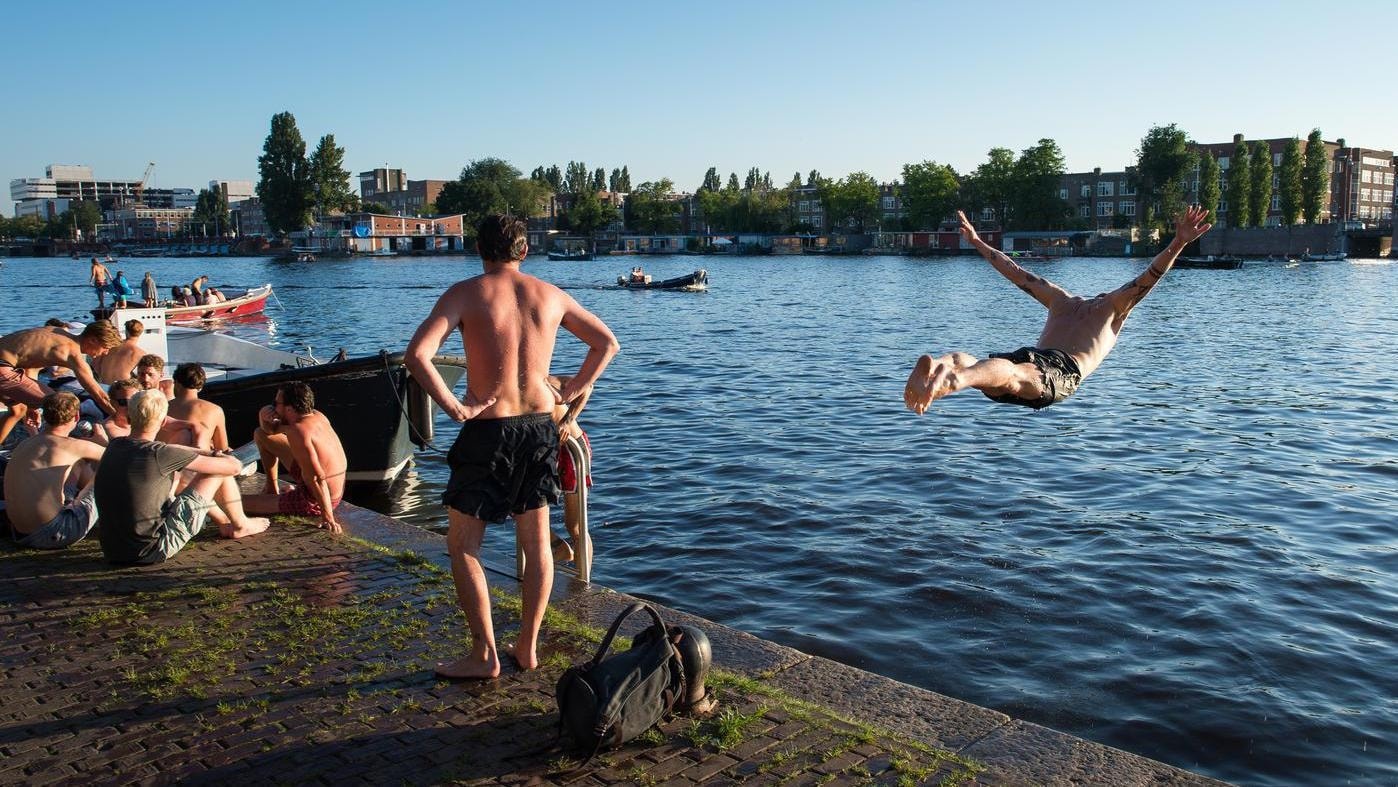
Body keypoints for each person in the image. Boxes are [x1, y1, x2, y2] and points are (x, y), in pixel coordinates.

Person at [405, 213, 619, 680]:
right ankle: (527, 645)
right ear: (524, 251)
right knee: (537, 542)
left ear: (479, 250)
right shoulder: (550, 294)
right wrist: (572, 389)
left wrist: (454, 408)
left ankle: (485, 656)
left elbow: (416, 356)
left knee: (463, 546)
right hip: (541, 426)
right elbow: (606, 343)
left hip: (490, 428)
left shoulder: (466, 293)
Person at [904, 206, 1213, 413]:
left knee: (977, 364)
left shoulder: (1062, 300)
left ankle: (942, 368)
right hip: (1056, 370)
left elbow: (1014, 271)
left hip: (1040, 359)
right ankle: (951, 378)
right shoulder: (1111, 307)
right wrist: (1178, 242)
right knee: (1009, 375)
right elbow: (1150, 276)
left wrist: (977, 242)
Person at [95, 389, 270, 565]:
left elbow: (165, 449)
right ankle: (241, 525)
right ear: (164, 421)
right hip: (152, 549)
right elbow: (234, 467)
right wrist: (217, 455)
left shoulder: (115, 446)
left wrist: (207, 452)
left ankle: (226, 523)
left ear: (130, 418)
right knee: (218, 469)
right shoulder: (160, 454)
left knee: (207, 465)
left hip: (113, 550)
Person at [4, 393, 106, 548]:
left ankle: (76, 505)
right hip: (56, 531)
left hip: (20, 533)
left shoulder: (26, 443)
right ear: (76, 416)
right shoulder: (73, 446)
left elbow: (49, 453)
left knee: (78, 465)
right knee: (106, 472)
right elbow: (118, 458)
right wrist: (103, 441)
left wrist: (33, 431)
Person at [243, 381, 347, 532]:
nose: (273, 407)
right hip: (318, 484)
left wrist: (327, 516)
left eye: (276, 403)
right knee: (260, 434)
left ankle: (281, 499)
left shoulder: (299, 432)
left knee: (232, 502)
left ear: (289, 409)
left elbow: (317, 478)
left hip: (316, 499)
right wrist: (262, 414)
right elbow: (267, 432)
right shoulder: (316, 416)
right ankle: (272, 488)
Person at [0, 321, 119, 445]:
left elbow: (30, 365)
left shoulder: (57, 332)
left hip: (6, 363)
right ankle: (54, 448)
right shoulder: (71, 352)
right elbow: (100, 395)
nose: (106, 353)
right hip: (2, 367)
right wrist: (122, 419)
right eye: (106, 347)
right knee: (60, 403)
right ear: (93, 340)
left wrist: (31, 404)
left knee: (18, 410)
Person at [546, 373, 592, 564]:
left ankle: (581, 582)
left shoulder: (549, 382)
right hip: (546, 449)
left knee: (575, 526)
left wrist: (566, 420)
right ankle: (559, 547)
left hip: (572, 449)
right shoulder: (507, 384)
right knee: (521, 509)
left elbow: (587, 386)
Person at [167, 363, 229, 452]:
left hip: (162, 462)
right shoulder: (215, 411)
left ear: (176, 383)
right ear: (200, 387)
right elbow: (222, 449)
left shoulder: (161, 408)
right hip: (197, 463)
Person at [96, 319, 146, 385]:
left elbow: (95, 363)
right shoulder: (140, 353)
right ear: (141, 332)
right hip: (122, 388)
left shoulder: (111, 344)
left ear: (126, 331)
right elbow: (144, 375)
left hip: (103, 384)